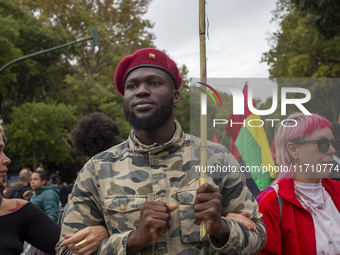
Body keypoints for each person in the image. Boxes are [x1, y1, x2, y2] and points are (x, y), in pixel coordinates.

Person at [57, 48, 266, 254]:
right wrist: (131, 241)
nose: (141, 91)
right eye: (131, 86)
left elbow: (259, 237)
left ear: (175, 96)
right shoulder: (97, 170)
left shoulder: (217, 159)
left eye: (154, 83)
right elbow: (65, 251)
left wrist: (222, 228)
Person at [0, 119, 110, 254]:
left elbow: (68, 245)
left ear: (44, 181)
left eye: (36, 179)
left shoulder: (19, 210)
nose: (6, 159)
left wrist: (101, 232)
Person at [256, 112, 340, 254]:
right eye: (322, 144)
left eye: (332, 142)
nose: (333, 150)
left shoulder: (336, 191)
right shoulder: (271, 202)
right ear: (293, 149)